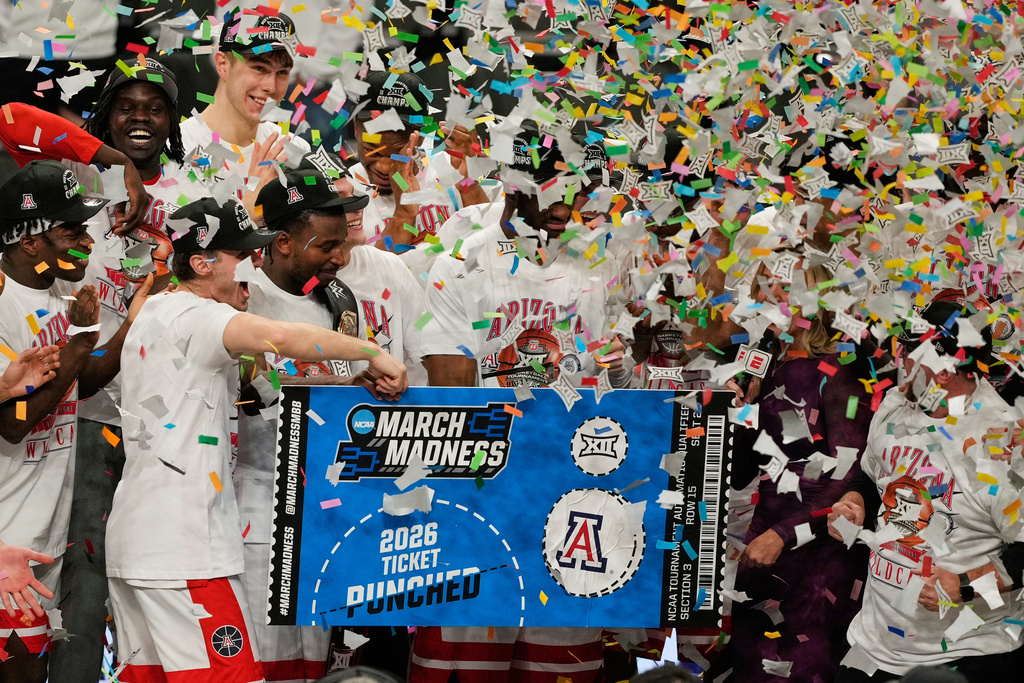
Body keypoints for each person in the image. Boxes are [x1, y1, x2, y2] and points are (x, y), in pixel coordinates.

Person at [103, 196, 407, 682]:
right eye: (240, 256)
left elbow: (257, 384)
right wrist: (372, 353)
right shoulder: (197, 317)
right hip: (186, 551)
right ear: (201, 263)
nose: (254, 266)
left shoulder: (158, 309)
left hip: (139, 544)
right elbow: (283, 337)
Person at [411, 129, 625, 683]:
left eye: (576, 192)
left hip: (566, 499)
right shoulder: (461, 262)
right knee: (464, 674)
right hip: (479, 498)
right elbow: (450, 396)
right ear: (509, 184)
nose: (562, 207)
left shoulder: (591, 266)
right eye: (546, 191)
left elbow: (598, 383)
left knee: (559, 672)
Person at [51, 56, 206, 683]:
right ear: (104, 118)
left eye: (155, 107)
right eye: (127, 105)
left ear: (172, 122)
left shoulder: (194, 197)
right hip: (86, 415)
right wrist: (110, 171)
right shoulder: (69, 186)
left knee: (164, 582)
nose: (140, 116)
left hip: (169, 425)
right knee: (83, 583)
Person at [0, 160, 150, 683]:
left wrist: (132, 318)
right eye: (72, 230)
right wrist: (82, 341)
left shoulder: (60, 296)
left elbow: (77, 387)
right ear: (29, 240)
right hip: (5, 532)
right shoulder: (1, 299)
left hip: (42, 524)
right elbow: (14, 422)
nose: (86, 241)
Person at [828, 299, 1024, 683]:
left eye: (910, 352)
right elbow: (872, 476)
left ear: (947, 368)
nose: (900, 360)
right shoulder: (896, 403)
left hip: (966, 654)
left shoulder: (1004, 441)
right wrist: (853, 503)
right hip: (873, 643)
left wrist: (965, 585)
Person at [236, 169, 371, 683]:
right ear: (283, 241)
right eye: (327, 246)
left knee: (314, 663)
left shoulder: (340, 302)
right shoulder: (240, 297)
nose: (340, 258)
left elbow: (349, 394)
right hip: (252, 506)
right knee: (262, 662)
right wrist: (334, 367)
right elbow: (251, 392)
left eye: (344, 244)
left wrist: (367, 384)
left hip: (325, 509)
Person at [719, 248, 874, 683]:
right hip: (759, 549)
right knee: (752, 669)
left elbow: (850, 475)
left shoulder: (840, 370)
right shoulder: (763, 365)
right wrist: (742, 412)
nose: (772, 293)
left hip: (817, 553)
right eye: (766, 284)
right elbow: (748, 468)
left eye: (786, 285)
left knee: (804, 670)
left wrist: (781, 534)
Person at [348, 70, 494, 253]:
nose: (384, 167)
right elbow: (372, 276)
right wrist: (403, 215)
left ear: (422, 137)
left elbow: (493, 249)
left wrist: (469, 185)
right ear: (355, 128)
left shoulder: (454, 168)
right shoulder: (344, 192)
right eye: (371, 150)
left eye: (398, 153)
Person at [180, 10, 311, 187]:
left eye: (282, 72)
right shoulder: (175, 148)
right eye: (259, 68)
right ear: (223, 65)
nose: (271, 87)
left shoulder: (294, 151)